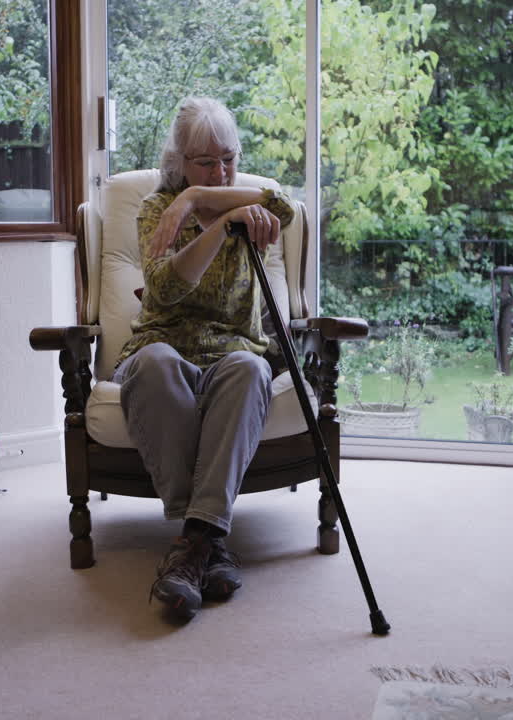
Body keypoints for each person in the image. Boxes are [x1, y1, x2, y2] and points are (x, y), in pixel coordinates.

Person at [111, 97, 295, 621]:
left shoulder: (255, 207)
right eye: (204, 164)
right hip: (162, 344)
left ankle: (192, 546)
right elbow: (165, 290)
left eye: (229, 159)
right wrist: (214, 220)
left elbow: (283, 202)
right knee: (155, 365)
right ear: (178, 163)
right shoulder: (155, 210)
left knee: (250, 368)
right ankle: (209, 545)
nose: (220, 171)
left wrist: (202, 197)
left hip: (232, 349)